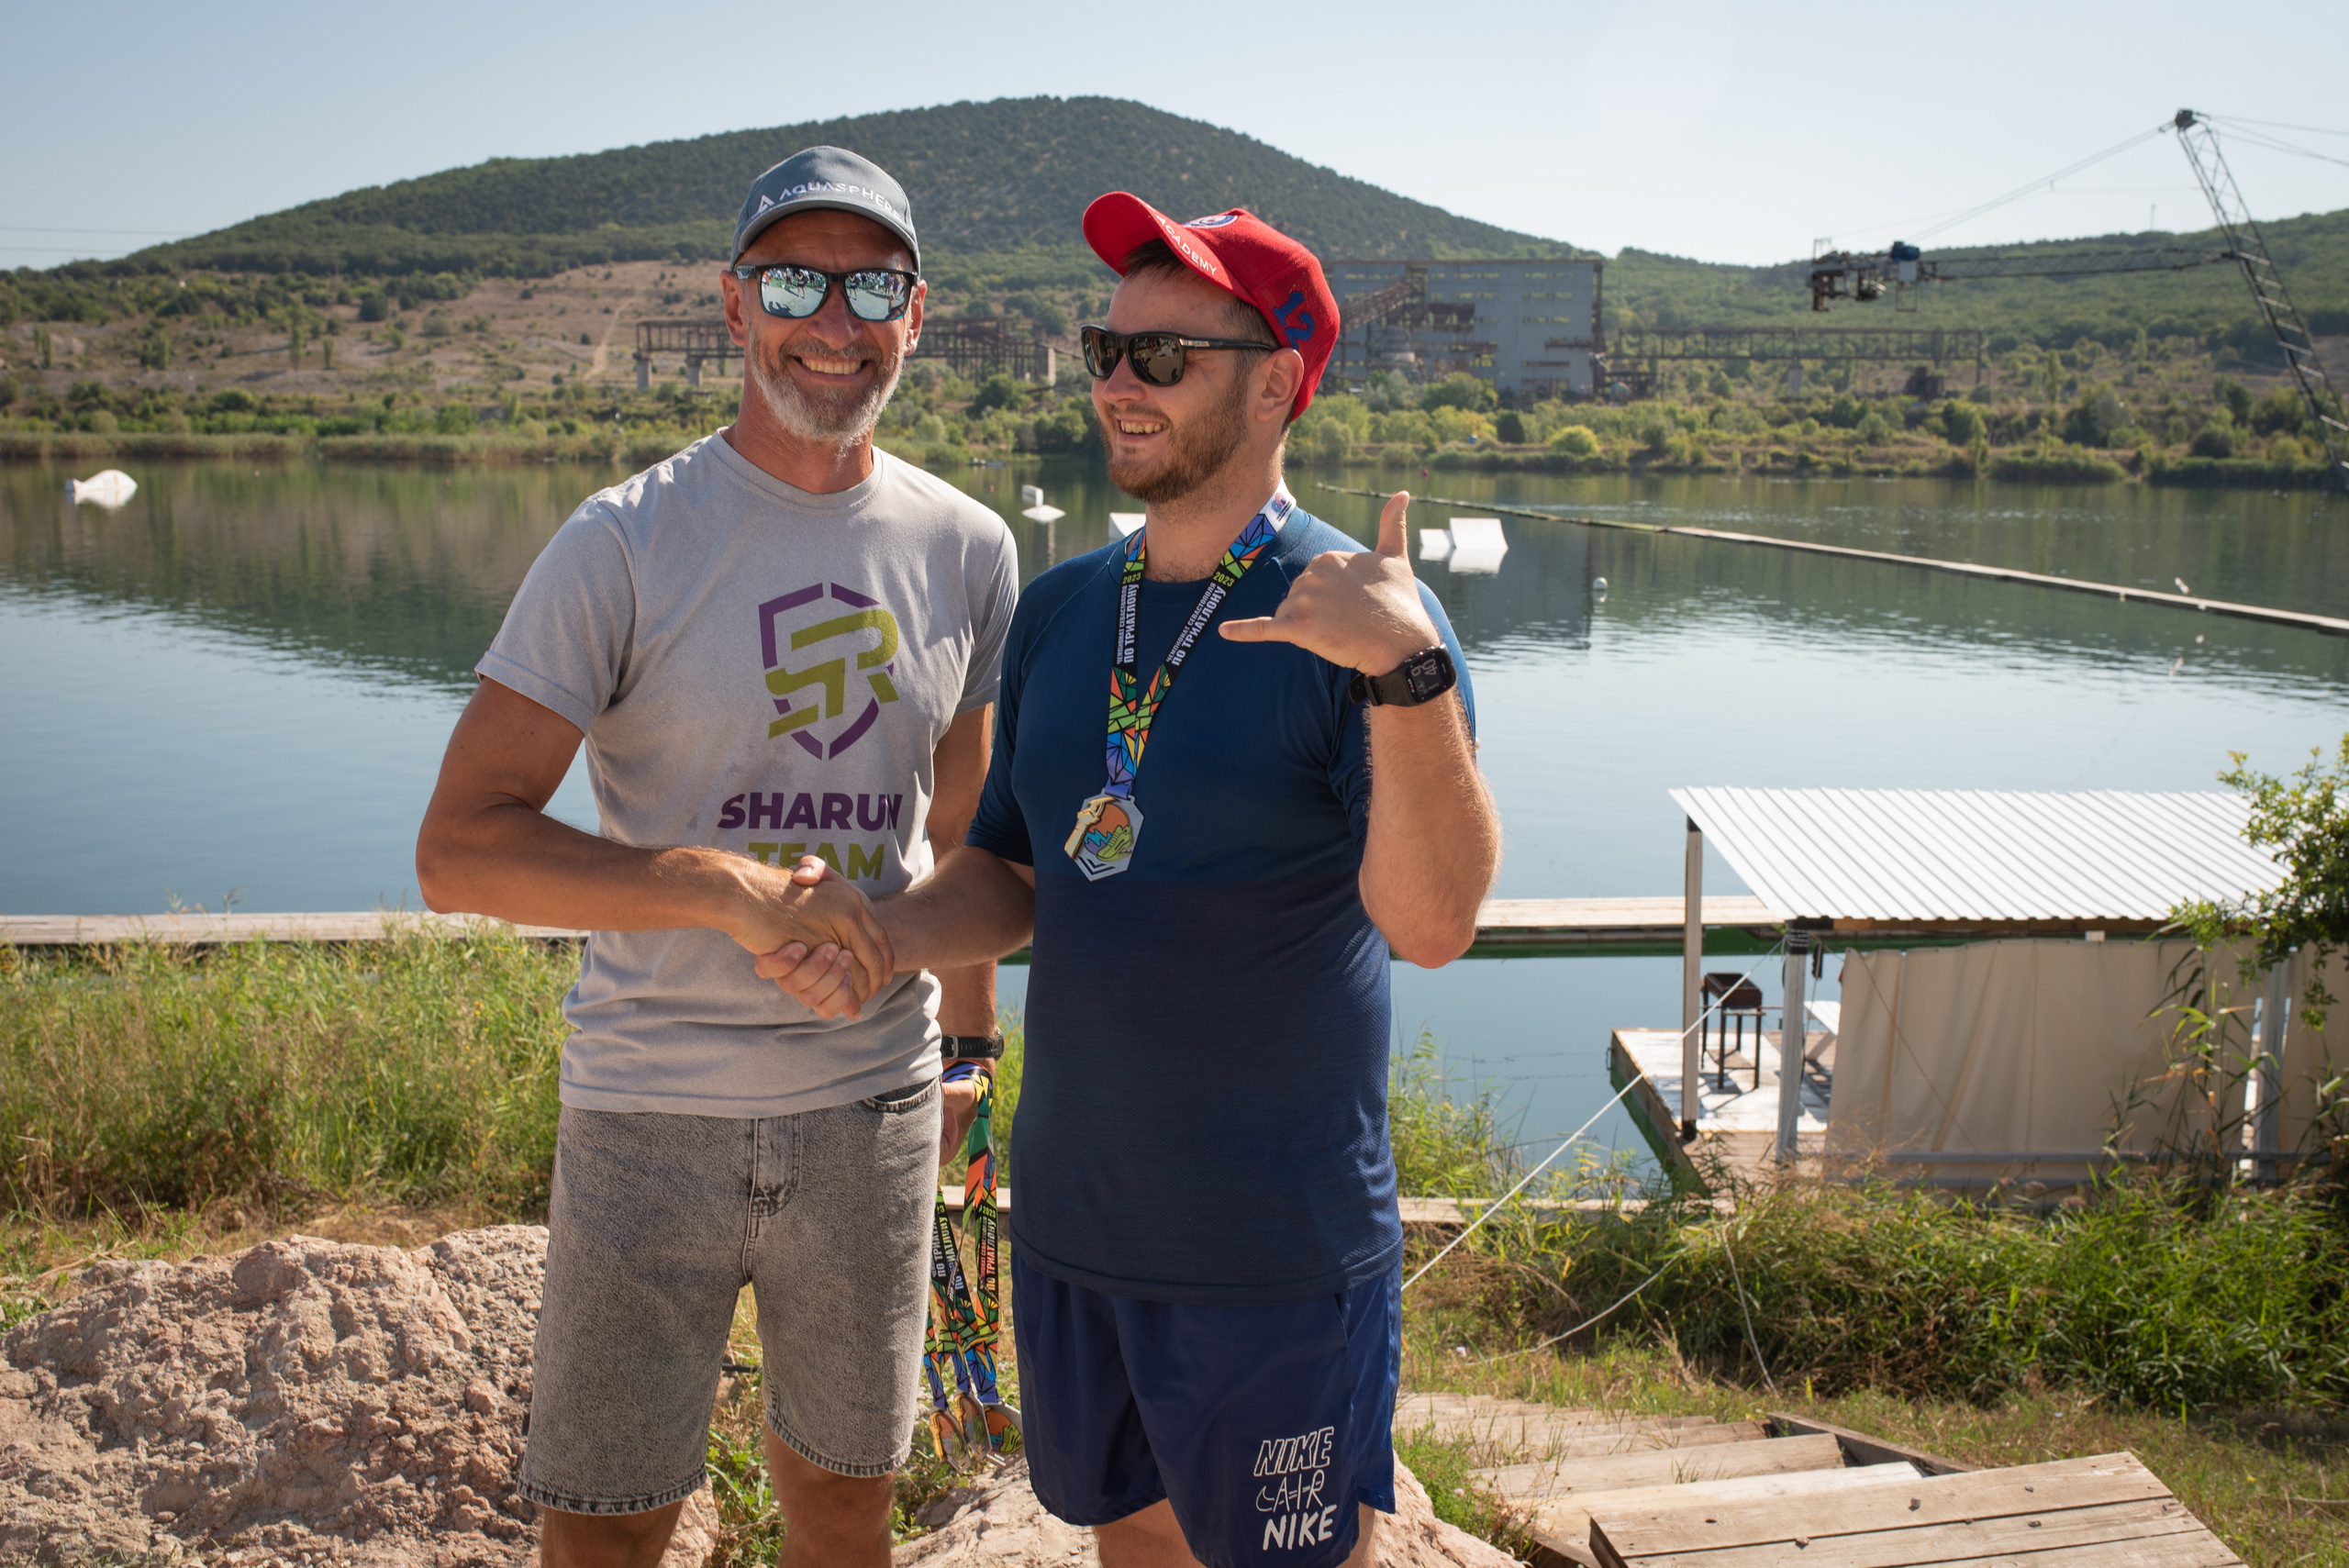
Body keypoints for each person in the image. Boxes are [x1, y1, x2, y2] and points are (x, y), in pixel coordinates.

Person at [762, 194, 1500, 1568]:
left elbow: (1434, 922)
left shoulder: (1363, 614)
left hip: (1272, 1256)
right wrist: (887, 933)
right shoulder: (1060, 608)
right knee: (1135, 1548)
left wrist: (1410, 678)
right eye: (1108, 346)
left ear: (1278, 381)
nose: (1116, 382)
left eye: (1163, 357)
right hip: (1080, 1231)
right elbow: (1009, 868)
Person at [413, 145, 1019, 1568]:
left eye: (871, 284)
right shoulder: (621, 543)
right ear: (735, 308)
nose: (834, 318)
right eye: (795, 279)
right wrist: (707, 888)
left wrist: (975, 1069)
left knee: (845, 1507)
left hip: (873, 1109)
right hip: (644, 1110)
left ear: (915, 316)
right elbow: (458, 847)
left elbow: (968, 840)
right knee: (607, 1524)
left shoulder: (971, 549)